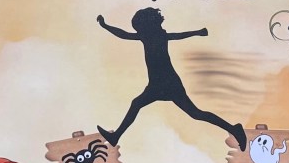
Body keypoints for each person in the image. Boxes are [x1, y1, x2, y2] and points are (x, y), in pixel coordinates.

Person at [96, 8, 247, 150]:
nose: (137, 31)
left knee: (194, 113)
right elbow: (125, 34)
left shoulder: (153, 36)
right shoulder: (153, 36)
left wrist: (105, 25)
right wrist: (198, 32)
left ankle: (234, 129)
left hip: (167, 83)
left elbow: (125, 34)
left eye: (139, 27)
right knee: (193, 113)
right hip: (159, 83)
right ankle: (116, 136)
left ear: (146, 25)